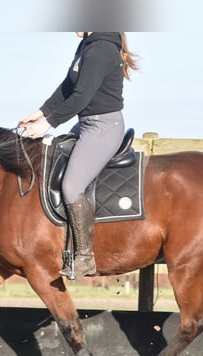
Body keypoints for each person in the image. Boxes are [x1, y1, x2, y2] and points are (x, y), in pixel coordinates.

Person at [20, 32, 139, 278]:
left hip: (103, 128)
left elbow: (82, 96)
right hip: (86, 125)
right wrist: (41, 112)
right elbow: (67, 87)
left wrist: (48, 124)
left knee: (72, 186)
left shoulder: (100, 49)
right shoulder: (87, 45)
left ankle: (85, 257)